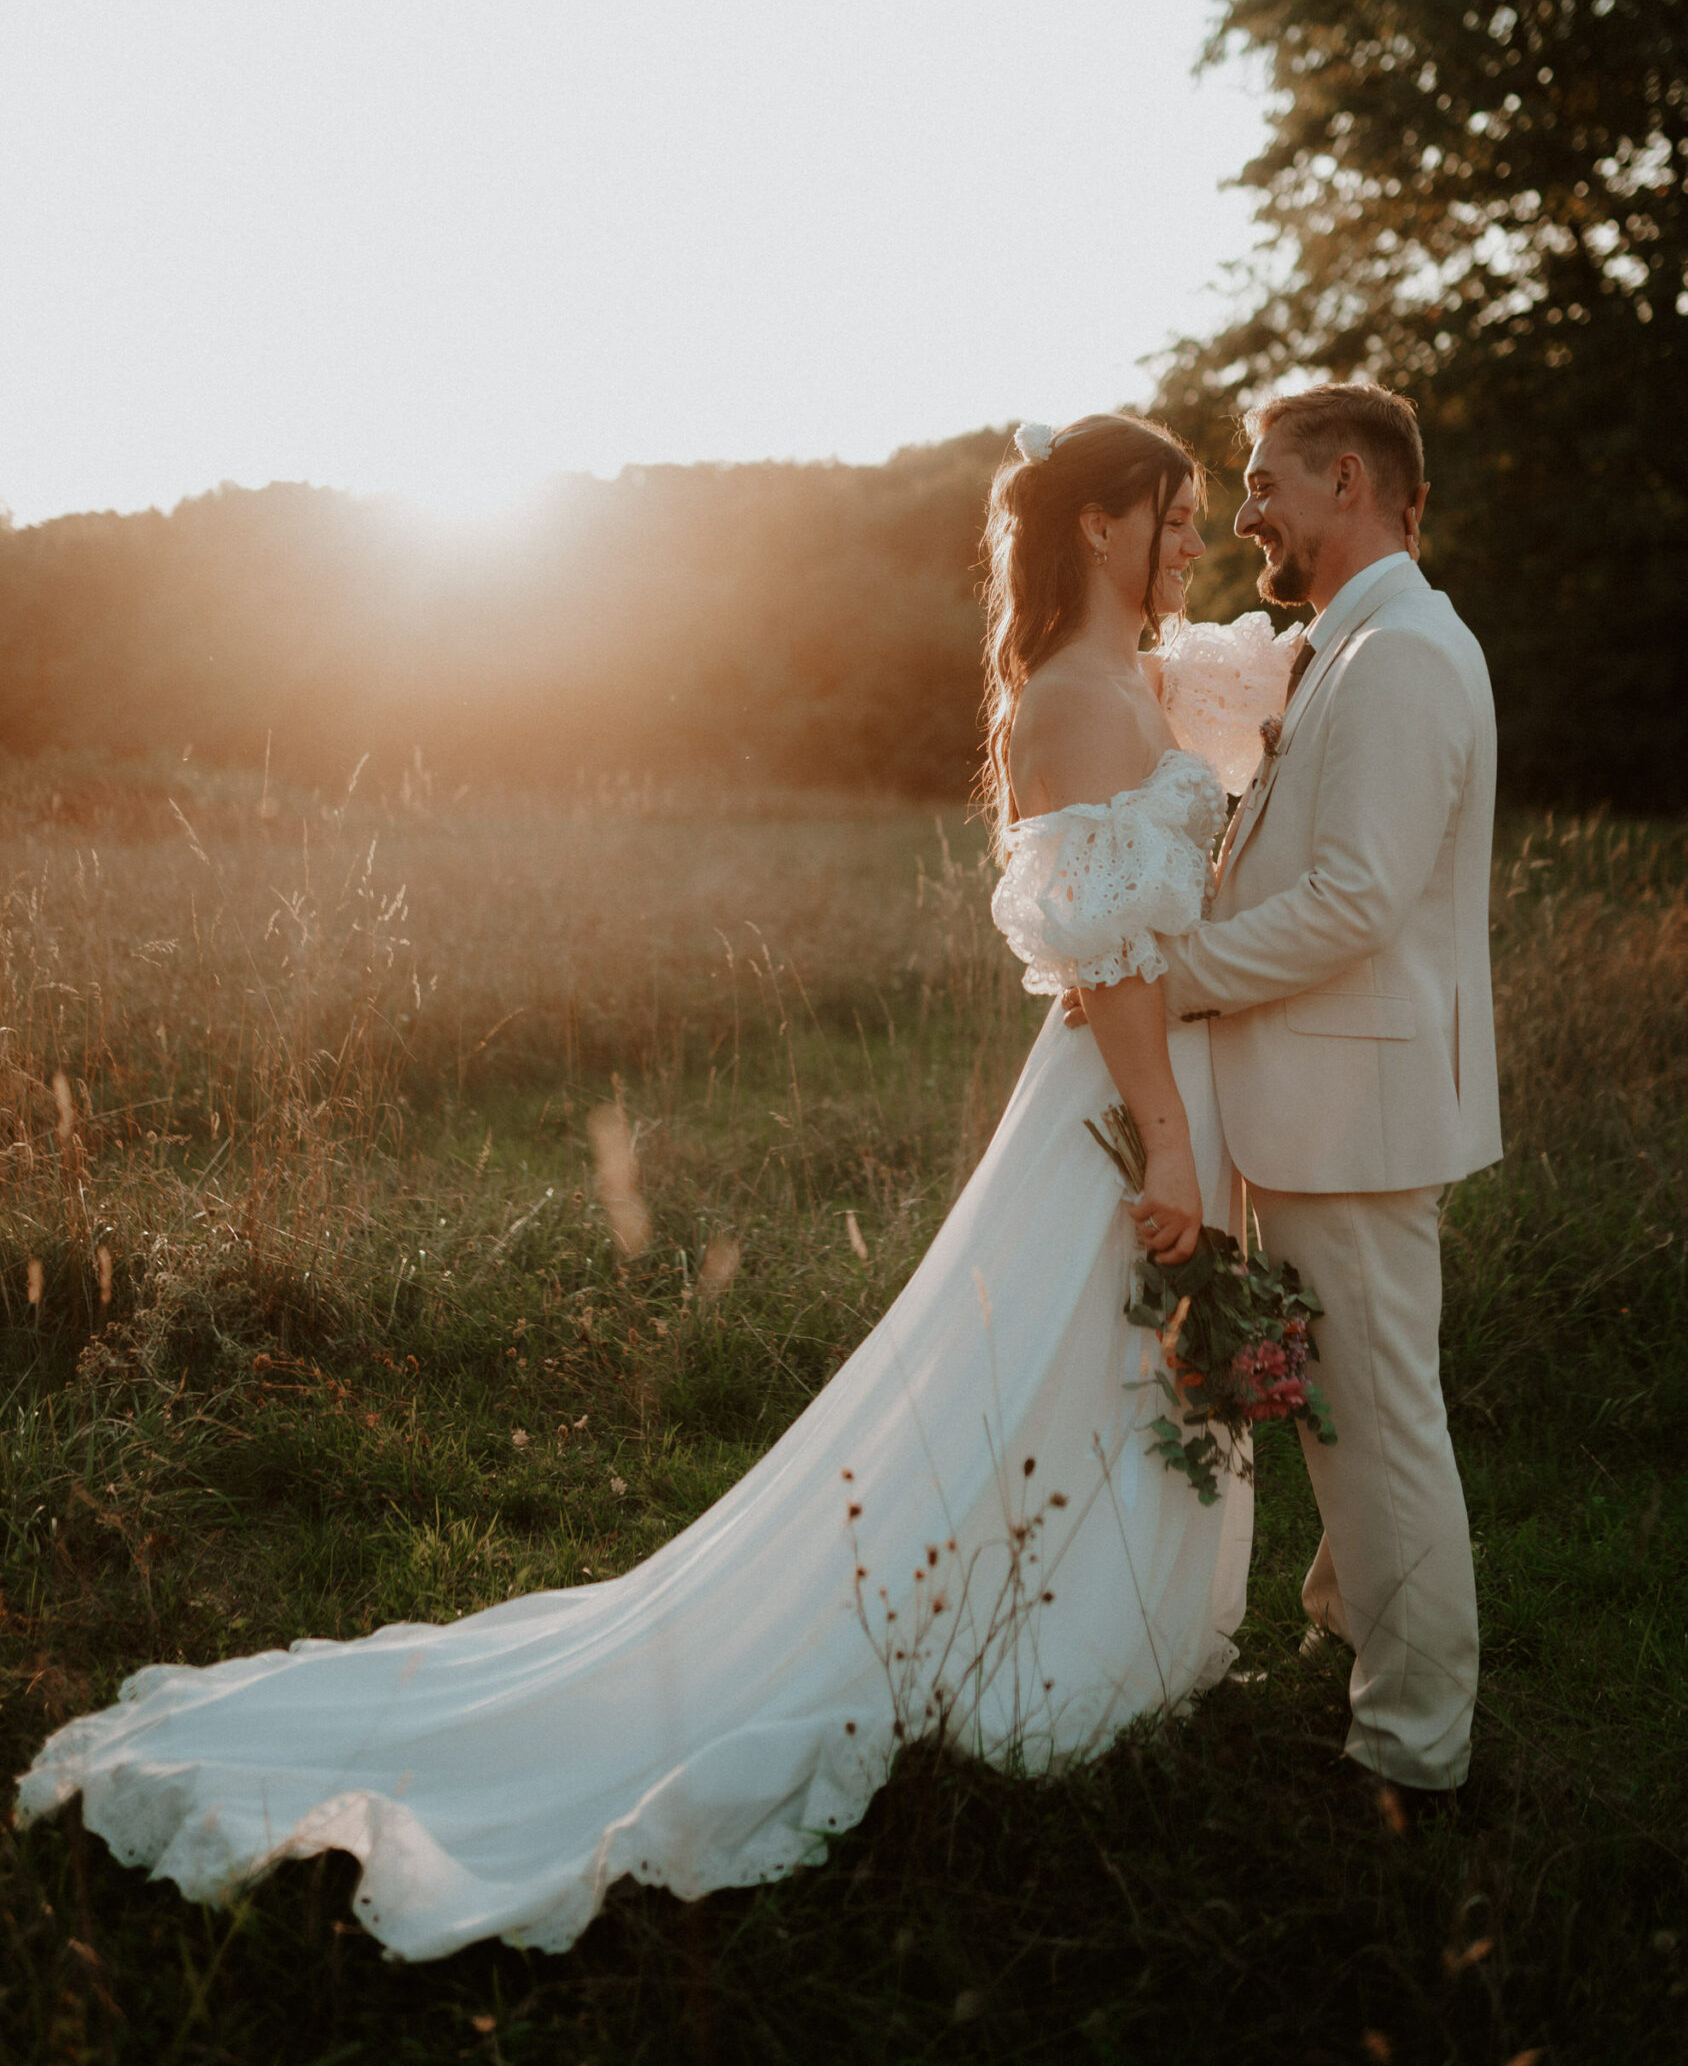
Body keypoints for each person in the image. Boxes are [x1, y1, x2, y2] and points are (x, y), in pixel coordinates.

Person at [17, 414, 1278, 1963]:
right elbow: (1111, 959)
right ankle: (1042, 1662)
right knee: (1071, 1364)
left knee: (1107, 1368)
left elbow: (1272, 689)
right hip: (1126, 1092)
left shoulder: (1141, 678)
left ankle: (1110, 1644)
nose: (1197, 541)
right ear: (1100, 524)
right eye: (1177, 514)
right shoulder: (1077, 702)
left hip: (1160, 1082)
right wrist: (1166, 1136)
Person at [1075, 383, 1500, 1799]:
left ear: (1348, 480)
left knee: (1379, 1424)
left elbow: (1355, 899)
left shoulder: (1403, 658)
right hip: (1326, 1099)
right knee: (1346, 1410)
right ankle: (1348, 1628)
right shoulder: (1350, 646)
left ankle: (1413, 1747)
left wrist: (1173, 976)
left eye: (1263, 484)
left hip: (1355, 1112)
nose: (1246, 512)